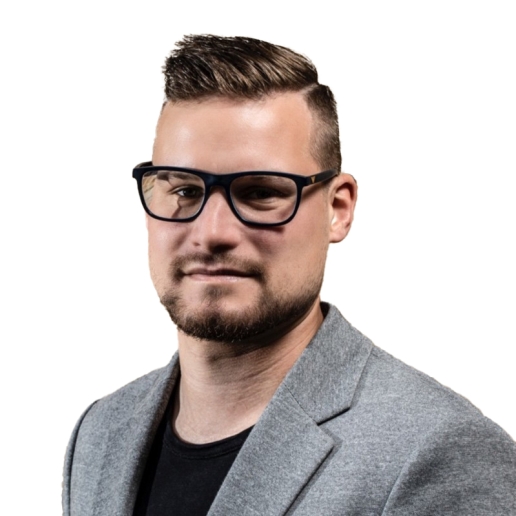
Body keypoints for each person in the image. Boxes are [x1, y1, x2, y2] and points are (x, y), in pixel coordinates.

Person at [63, 35, 516, 516]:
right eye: (185, 190)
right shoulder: (100, 432)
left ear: (338, 208)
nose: (212, 233)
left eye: (261, 192)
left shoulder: (442, 452)